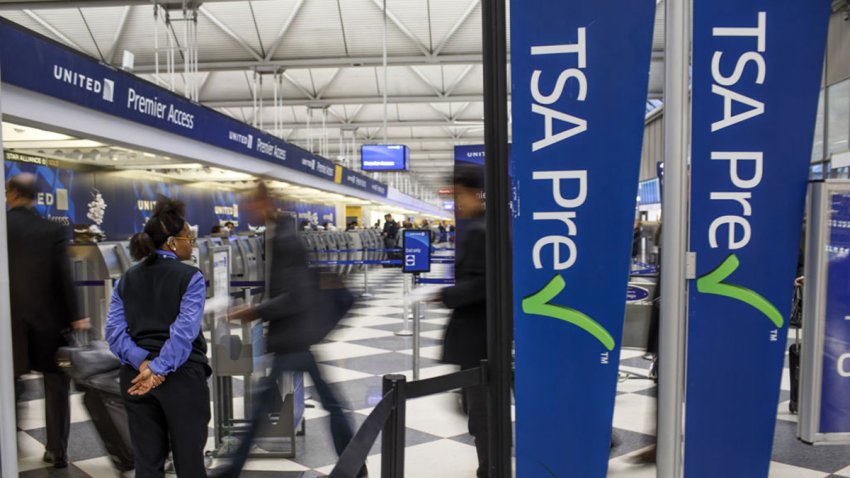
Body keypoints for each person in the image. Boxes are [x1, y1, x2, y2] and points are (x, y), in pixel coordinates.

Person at [214, 182, 365, 477]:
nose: (248, 212)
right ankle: (355, 464)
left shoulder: (285, 240)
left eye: (251, 205)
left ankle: (232, 470)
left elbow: (295, 296)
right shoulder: (280, 234)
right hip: (296, 336)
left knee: (264, 410)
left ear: (265, 203)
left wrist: (254, 311)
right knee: (326, 403)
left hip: (292, 337)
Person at [105, 196, 210, 478]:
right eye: (189, 237)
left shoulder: (126, 278)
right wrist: (157, 368)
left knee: (147, 464)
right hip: (181, 378)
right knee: (189, 462)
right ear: (173, 242)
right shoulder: (191, 277)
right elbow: (183, 333)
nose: (192, 243)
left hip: (135, 379)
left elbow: (114, 333)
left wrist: (142, 363)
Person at [7, 173, 88, 469]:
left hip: (10, 324)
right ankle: (57, 450)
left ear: (12, 193)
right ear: (35, 197)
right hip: (49, 322)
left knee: (10, 382)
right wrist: (76, 315)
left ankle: (8, 445)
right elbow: (64, 277)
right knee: (56, 384)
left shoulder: (4, 227)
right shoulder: (51, 230)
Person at [438, 166, 488, 478]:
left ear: (474, 193)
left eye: (458, 195)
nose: (456, 202)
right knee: (479, 408)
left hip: (478, 337)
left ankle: (489, 468)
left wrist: (448, 295)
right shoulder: (481, 227)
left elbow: (483, 284)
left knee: (480, 411)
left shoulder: (479, 231)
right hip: (479, 336)